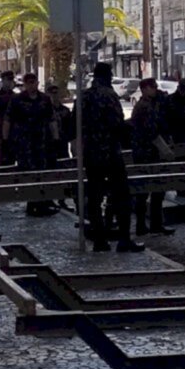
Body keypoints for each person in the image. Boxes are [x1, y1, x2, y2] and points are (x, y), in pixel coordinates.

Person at [82, 62, 144, 253]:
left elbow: (75, 126)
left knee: (94, 196)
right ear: (108, 76)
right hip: (110, 152)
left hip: (91, 153)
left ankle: (100, 240)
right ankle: (124, 240)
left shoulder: (84, 96)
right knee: (121, 195)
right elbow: (117, 124)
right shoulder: (109, 95)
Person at [4, 73, 58, 216]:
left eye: (33, 82)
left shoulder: (45, 99)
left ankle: (41, 203)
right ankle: (32, 203)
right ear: (25, 84)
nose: (31, 85)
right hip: (23, 143)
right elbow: (8, 120)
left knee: (42, 173)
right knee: (28, 174)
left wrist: (56, 138)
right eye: (28, 83)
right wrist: (6, 140)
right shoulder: (17, 100)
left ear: (37, 83)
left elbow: (52, 119)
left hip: (41, 142)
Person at [130, 78, 175, 236]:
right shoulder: (144, 107)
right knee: (145, 191)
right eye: (153, 87)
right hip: (146, 153)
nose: (156, 89)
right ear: (144, 89)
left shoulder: (150, 105)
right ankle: (143, 225)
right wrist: (165, 150)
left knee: (157, 190)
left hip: (148, 153)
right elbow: (152, 132)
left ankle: (154, 224)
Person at [46, 84, 74, 212]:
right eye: (52, 94)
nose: (54, 96)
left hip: (62, 145)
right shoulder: (45, 111)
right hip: (49, 146)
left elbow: (71, 129)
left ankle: (62, 199)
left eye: (56, 93)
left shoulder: (65, 111)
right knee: (50, 174)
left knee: (64, 173)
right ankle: (50, 199)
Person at [0, 71, 16, 167]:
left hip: (14, 129)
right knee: (2, 157)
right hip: (2, 128)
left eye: (11, 80)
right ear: (3, 81)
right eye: (8, 80)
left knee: (13, 156)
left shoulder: (15, 95)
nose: (10, 82)